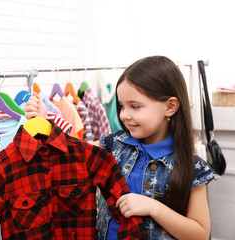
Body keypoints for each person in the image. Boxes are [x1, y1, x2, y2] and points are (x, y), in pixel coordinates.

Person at [24, 55, 219, 239]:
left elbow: (200, 233)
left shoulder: (191, 168)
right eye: (122, 106)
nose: (124, 115)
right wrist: (43, 121)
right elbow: (70, 149)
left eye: (135, 106)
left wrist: (153, 207)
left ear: (170, 107)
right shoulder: (113, 145)